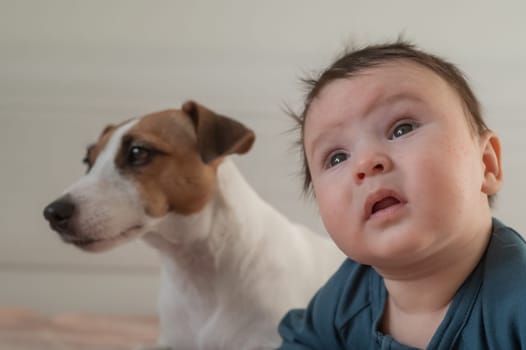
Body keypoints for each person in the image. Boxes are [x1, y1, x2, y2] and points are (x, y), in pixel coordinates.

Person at [277, 40, 526, 349]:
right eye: (337, 158)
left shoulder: (516, 303)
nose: (366, 163)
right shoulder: (349, 293)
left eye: (402, 128)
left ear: (486, 164)